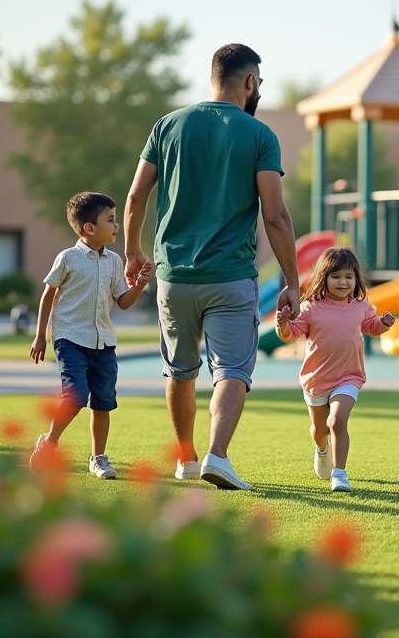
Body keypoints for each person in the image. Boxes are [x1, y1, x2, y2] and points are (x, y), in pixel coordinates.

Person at [123, 43, 300, 491]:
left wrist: (132, 251)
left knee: (179, 370)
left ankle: (186, 459)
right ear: (249, 81)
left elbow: (135, 196)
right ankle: (217, 457)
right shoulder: (260, 136)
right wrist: (292, 282)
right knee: (233, 370)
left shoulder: (167, 125)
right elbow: (275, 215)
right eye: (258, 81)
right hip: (231, 277)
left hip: (173, 276)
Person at [28, 192, 153, 479]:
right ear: (89, 228)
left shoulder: (113, 262)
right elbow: (48, 296)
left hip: (104, 343)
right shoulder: (68, 258)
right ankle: (49, 443)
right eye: (110, 220)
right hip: (69, 338)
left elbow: (122, 301)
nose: (117, 226)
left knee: (103, 402)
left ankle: (98, 458)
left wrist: (139, 286)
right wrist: (40, 336)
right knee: (75, 396)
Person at [276, 246, 394, 492]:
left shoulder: (360, 306)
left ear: (356, 279)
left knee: (337, 420)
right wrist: (283, 324)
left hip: (349, 376)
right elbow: (290, 335)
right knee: (320, 430)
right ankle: (321, 449)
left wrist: (383, 323)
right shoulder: (310, 307)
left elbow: (371, 327)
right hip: (316, 379)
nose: (343, 282)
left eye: (349, 277)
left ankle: (339, 474)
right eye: (336, 276)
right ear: (324, 277)